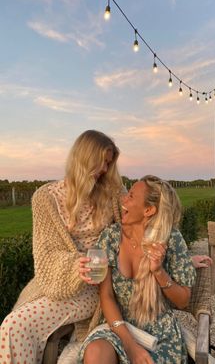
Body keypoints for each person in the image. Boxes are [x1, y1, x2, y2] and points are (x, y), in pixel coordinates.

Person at [0, 130, 125, 364]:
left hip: (98, 288)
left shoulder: (113, 193)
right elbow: (45, 253)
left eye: (109, 164)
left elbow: (141, 228)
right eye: (102, 162)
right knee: (12, 326)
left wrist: (175, 256)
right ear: (85, 158)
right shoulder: (45, 198)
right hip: (56, 280)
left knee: (15, 324)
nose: (105, 170)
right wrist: (75, 266)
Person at [77, 175, 197, 364]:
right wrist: (130, 345)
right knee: (96, 352)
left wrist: (158, 272)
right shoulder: (110, 237)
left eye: (131, 196)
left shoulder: (172, 240)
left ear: (148, 210)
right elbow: (106, 295)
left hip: (159, 332)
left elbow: (183, 301)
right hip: (118, 325)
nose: (123, 199)